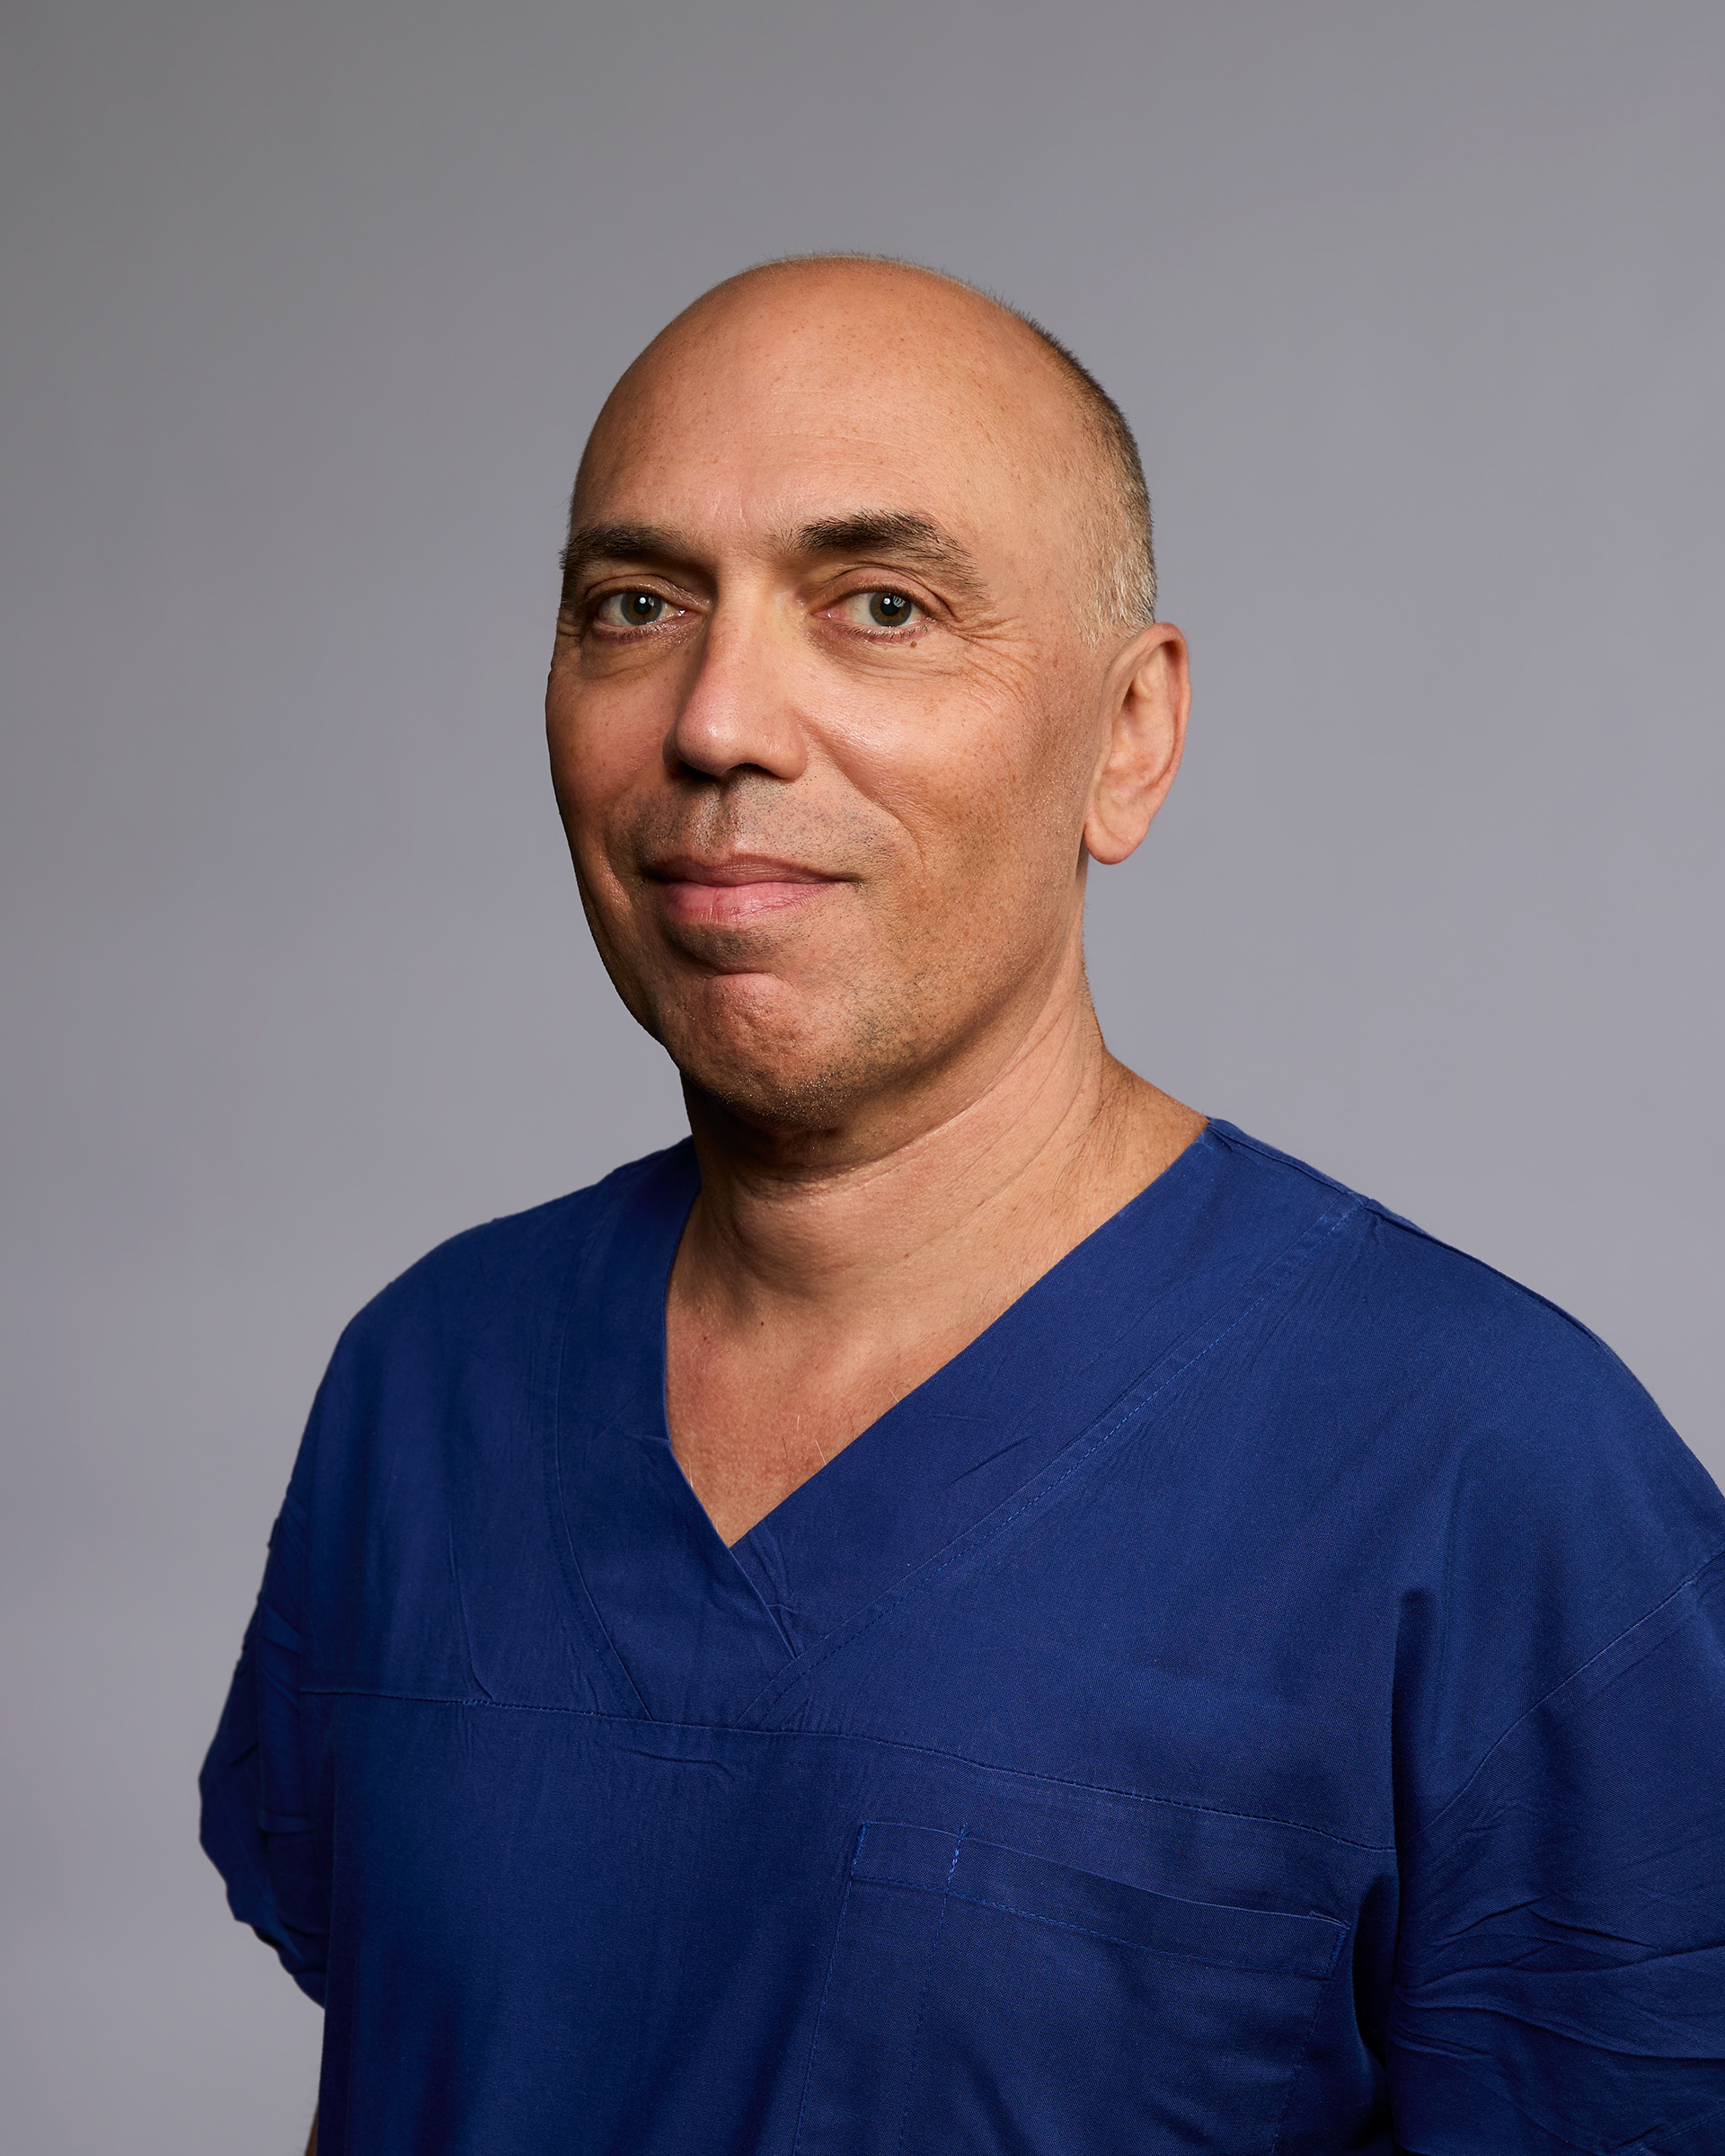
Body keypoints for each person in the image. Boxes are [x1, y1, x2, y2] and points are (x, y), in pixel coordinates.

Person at [201, 256, 1725, 2156]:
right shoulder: (427, 1388)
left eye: (883, 605)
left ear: (1128, 736)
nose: (719, 720)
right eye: (636, 605)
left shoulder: (1489, 1479)